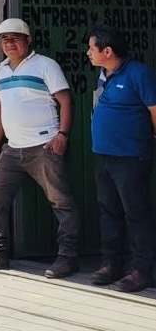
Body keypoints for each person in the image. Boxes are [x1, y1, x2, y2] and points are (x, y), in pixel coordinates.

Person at [0, 18, 80, 279]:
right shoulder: (2, 71)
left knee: (61, 202)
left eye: (15, 38)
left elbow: (65, 100)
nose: (10, 44)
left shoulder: (46, 66)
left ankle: (67, 258)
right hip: (12, 149)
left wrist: (63, 135)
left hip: (44, 146)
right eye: (5, 40)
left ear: (28, 40)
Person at [85, 27, 156, 293]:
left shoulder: (139, 73)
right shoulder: (103, 75)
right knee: (109, 210)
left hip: (130, 156)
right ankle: (112, 263)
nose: (88, 52)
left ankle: (142, 270)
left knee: (135, 212)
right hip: (103, 155)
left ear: (107, 51)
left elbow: (154, 110)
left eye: (92, 48)